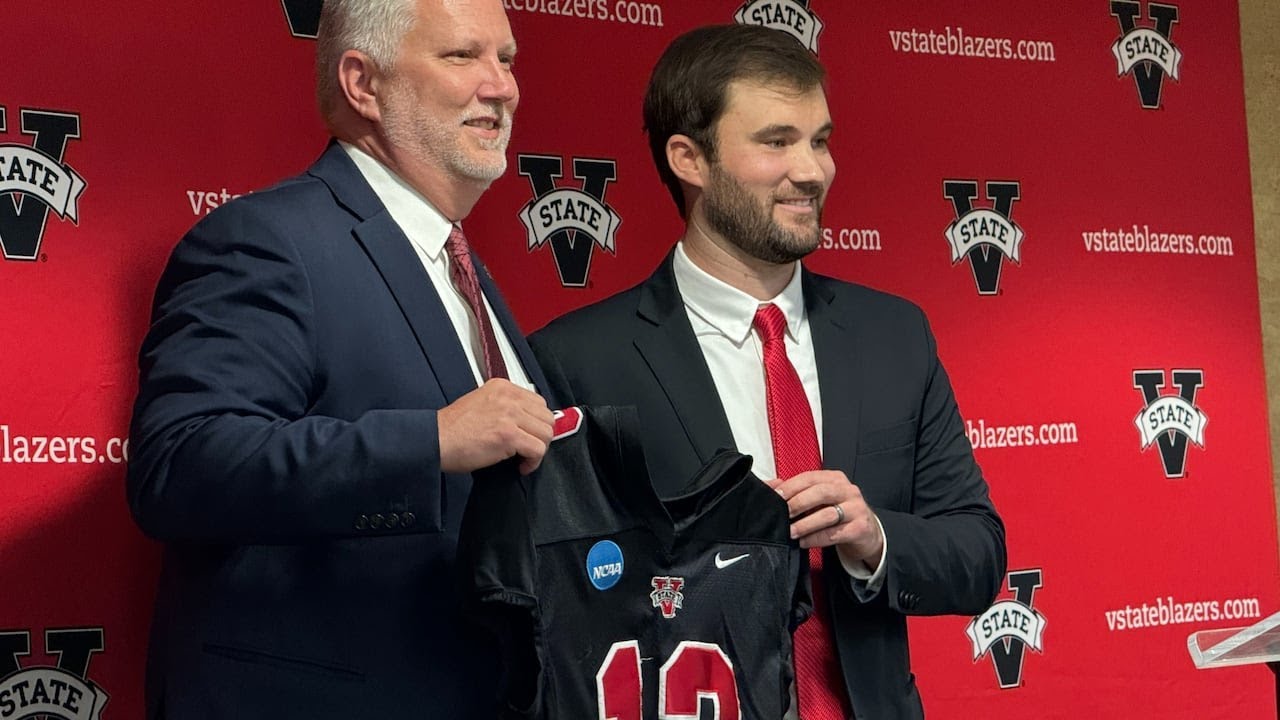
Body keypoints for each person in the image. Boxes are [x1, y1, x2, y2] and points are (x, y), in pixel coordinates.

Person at [529, 24, 1006, 719]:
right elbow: (558, 611)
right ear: (690, 159)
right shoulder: (577, 361)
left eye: (820, 140)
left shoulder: (894, 335)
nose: (813, 170)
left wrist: (872, 536)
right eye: (777, 142)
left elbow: (977, 554)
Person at [126, 0, 553, 717]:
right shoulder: (267, 241)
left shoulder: (457, 263)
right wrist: (432, 440)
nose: (502, 86)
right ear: (363, 83)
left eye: (506, 59)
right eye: (462, 56)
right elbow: (180, 464)